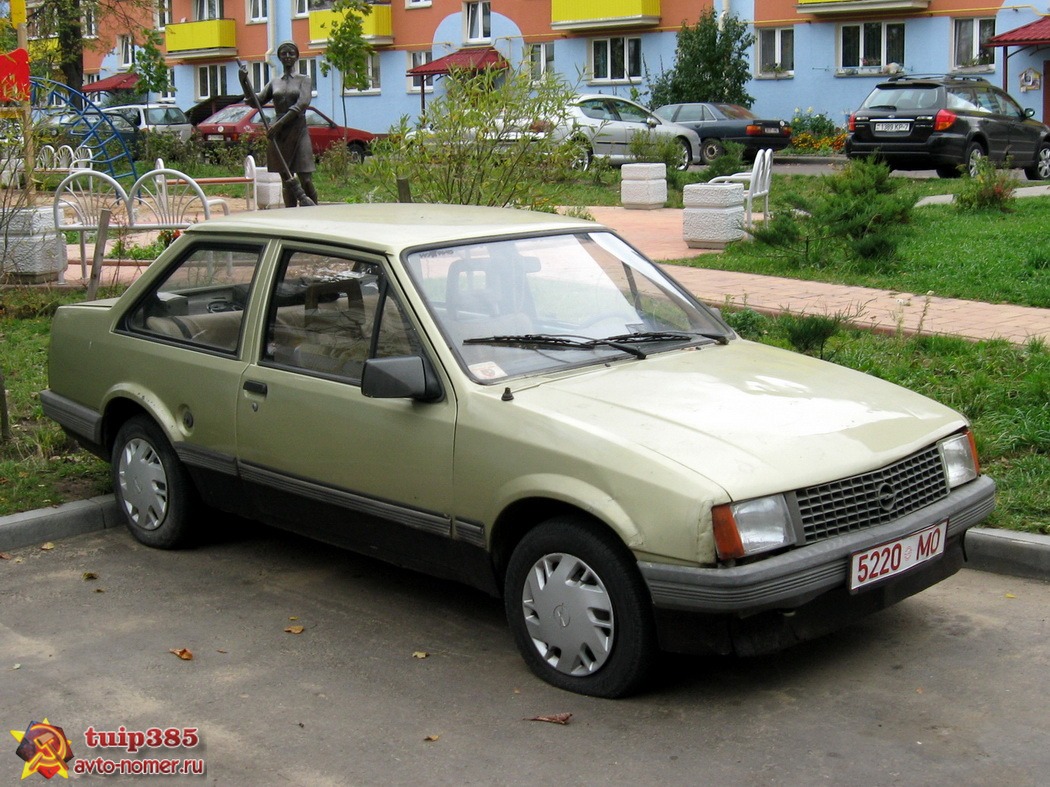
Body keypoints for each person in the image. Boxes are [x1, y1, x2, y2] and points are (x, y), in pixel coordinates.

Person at [239, 42, 317, 207]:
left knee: (306, 179)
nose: (287, 57)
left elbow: (302, 104)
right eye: (284, 54)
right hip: (279, 135)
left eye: (291, 53)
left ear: (297, 56)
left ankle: (313, 213)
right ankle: (290, 216)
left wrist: (279, 124)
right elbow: (256, 102)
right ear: (279, 57)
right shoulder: (275, 82)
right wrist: (244, 83)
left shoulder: (304, 80)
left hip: (298, 129)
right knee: (287, 181)